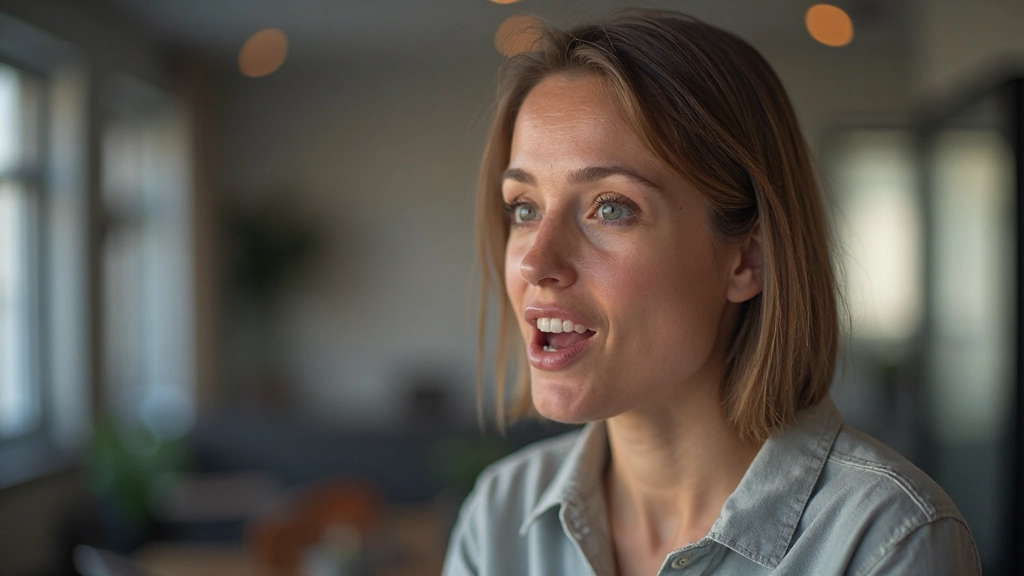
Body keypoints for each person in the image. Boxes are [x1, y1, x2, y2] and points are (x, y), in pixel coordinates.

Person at [443, 10, 981, 576]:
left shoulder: (887, 542)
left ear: (748, 258)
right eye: (524, 209)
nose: (535, 261)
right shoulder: (500, 517)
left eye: (611, 207)